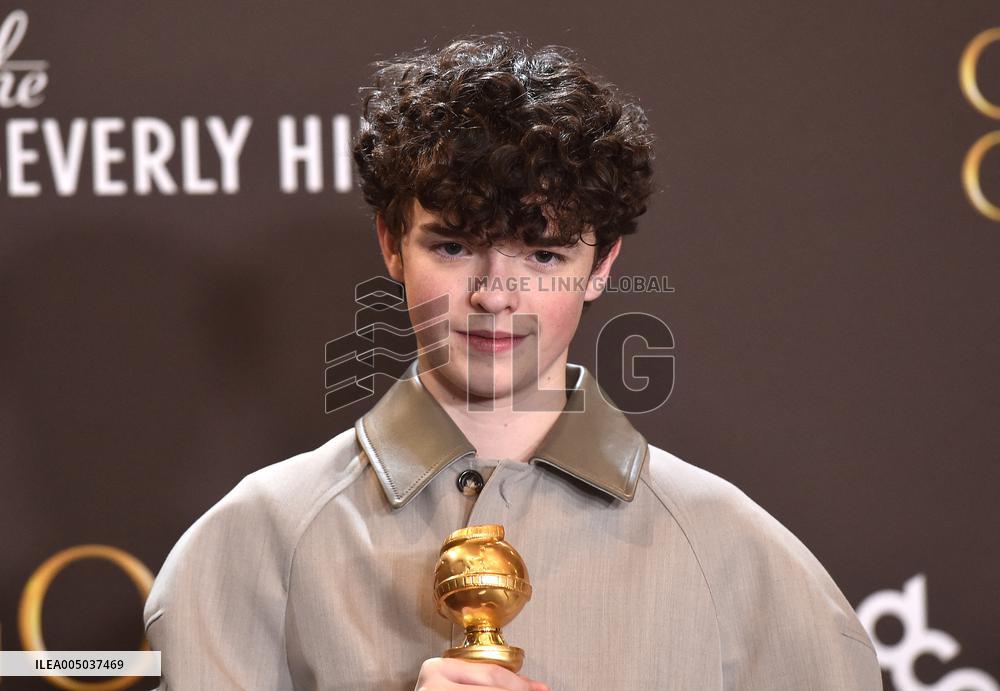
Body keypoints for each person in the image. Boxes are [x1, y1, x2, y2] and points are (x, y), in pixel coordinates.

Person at [143, 31, 883, 690]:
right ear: (392, 244)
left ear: (602, 266)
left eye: (542, 254)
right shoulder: (252, 543)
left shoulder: (737, 555)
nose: (495, 295)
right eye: (453, 246)